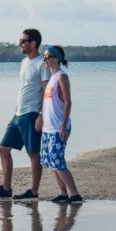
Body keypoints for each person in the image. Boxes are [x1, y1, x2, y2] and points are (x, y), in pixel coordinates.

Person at [0, 28, 50, 201]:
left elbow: (46, 91)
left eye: (23, 41)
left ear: (33, 43)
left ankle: (33, 192)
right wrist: (15, 111)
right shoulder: (24, 62)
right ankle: (6, 189)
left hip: (32, 113)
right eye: (20, 41)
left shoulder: (42, 64)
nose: (20, 44)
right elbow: (24, 89)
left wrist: (41, 115)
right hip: (18, 114)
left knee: (33, 153)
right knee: (3, 149)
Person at [40, 45, 83, 203]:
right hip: (48, 128)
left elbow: (68, 102)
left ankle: (75, 194)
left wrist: (63, 126)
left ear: (56, 58)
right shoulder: (51, 78)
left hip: (59, 127)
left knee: (58, 162)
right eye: (44, 56)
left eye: (47, 56)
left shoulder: (61, 77)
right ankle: (63, 193)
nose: (45, 59)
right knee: (52, 163)